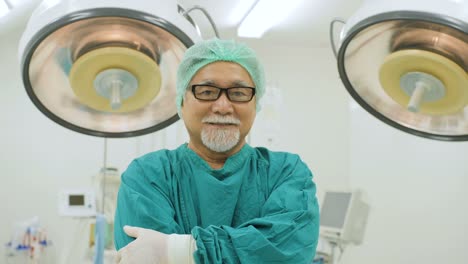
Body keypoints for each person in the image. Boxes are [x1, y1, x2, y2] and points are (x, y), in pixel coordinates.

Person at [114, 38, 319, 264]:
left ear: (256, 103)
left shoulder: (286, 173)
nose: (222, 107)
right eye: (207, 91)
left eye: (239, 93)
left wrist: (178, 250)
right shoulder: (147, 176)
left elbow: (289, 250)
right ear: (182, 100)